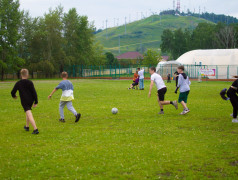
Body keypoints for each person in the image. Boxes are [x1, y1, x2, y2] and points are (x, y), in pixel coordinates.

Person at [11, 69, 39, 134]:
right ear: (27, 75)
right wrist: (36, 101)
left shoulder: (18, 83)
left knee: (29, 113)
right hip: (31, 100)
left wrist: (14, 96)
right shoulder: (30, 82)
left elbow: (12, 92)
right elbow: (34, 92)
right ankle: (27, 126)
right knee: (27, 112)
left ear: (21, 75)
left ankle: (35, 129)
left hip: (24, 100)